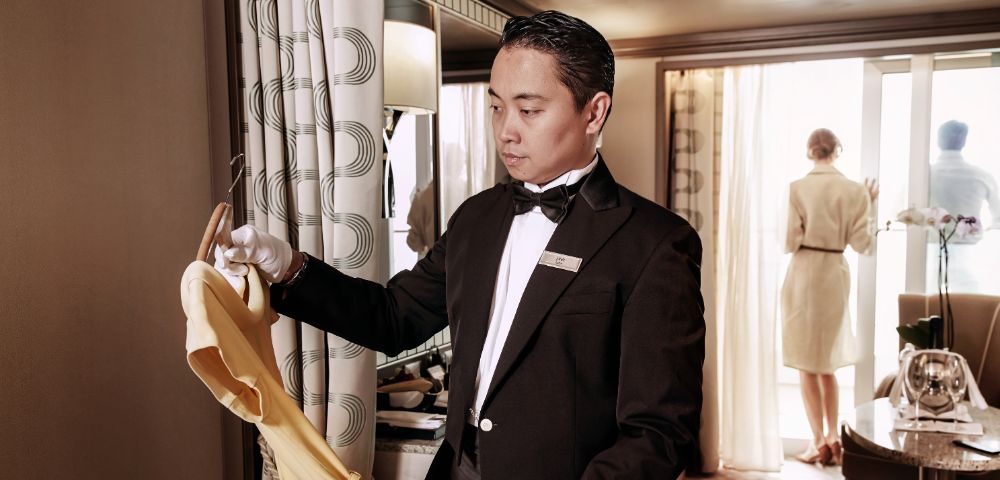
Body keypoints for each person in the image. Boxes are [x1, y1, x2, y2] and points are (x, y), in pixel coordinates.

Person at [220, 10, 705, 479]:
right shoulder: (477, 216)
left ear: (594, 112)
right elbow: (392, 317)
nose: (505, 130)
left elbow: (659, 433)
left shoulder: (656, 244)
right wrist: (285, 265)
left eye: (529, 109)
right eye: (496, 106)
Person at [781, 128, 877, 466]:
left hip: (805, 271)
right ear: (837, 150)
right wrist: (869, 204)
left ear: (810, 152)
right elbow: (863, 244)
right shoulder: (855, 191)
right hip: (835, 272)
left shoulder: (798, 188)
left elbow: (789, 241)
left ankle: (817, 440)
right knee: (826, 363)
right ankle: (834, 438)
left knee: (807, 363)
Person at [930, 120, 1000, 228]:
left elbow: (897, 212)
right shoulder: (982, 176)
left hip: (924, 243)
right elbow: (998, 219)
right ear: (963, 142)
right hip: (971, 242)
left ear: (938, 141)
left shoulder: (920, 175)